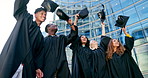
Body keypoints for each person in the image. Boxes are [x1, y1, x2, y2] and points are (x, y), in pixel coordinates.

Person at [0, 0, 47, 78]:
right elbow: (20, 8)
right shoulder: (26, 21)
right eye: (42, 13)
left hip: (27, 67)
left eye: (45, 14)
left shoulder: (40, 36)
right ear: (35, 15)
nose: (44, 16)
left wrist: (38, 68)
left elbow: (39, 54)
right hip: (14, 61)